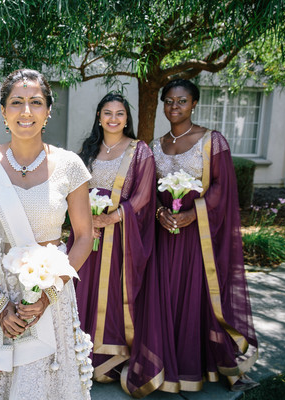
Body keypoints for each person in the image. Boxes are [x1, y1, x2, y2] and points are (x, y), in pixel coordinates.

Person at [0, 69, 94, 399]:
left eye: (36, 102)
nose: (26, 112)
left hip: (49, 296)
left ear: (48, 110)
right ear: (3, 111)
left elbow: (84, 236)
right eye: (16, 102)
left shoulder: (70, 165)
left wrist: (46, 296)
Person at [153, 79, 258, 392]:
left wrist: (191, 213)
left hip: (199, 237)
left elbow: (222, 188)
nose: (175, 107)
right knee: (166, 295)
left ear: (194, 103)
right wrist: (162, 212)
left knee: (199, 297)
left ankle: (206, 363)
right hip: (165, 235)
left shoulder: (212, 140)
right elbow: (149, 189)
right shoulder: (154, 145)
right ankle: (168, 362)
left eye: (182, 101)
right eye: (169, 101)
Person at [70, 93, 164, 397]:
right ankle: (81, 354)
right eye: (107, 113)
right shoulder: (87, 149)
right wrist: (87, 220)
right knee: (83, 287)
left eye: (120, 113)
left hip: (122, 234)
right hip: (87, 231)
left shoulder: (140, 151)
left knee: (113, 292)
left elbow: (143, 196)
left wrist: (110, 220)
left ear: (127, 118)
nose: (113, 118)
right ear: (99, 116)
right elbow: (74, 189)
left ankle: (110, 357)